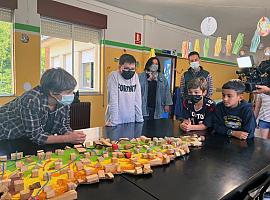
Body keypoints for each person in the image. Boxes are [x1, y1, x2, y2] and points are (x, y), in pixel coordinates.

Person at [0, 68, 86, 145]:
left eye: (72, 91)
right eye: (68, 92)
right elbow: (37, 136)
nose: (72, 95)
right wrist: (67, 138)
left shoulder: (62, 100)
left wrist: (72, 136)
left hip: (26, 138)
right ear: (52, 92)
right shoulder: (31, 100)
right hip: (5, 135)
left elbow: (63, 126)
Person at [105, 54, 143, 126]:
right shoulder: (113, 76)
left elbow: (138, 99)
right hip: (115, 120)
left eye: (132, 69)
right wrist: (113, 122)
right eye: (127, 68)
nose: (130, 71)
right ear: (120, 67)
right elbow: (113, 100)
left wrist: (139, 119)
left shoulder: (135, 76)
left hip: (131, 120)